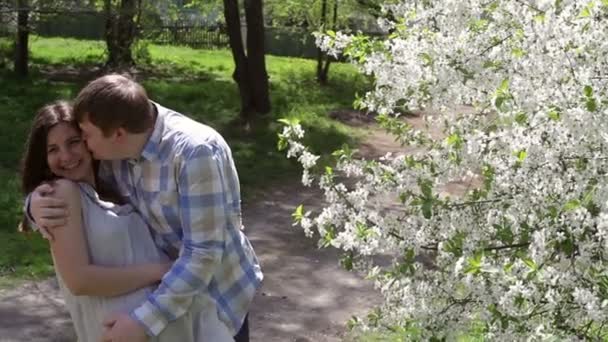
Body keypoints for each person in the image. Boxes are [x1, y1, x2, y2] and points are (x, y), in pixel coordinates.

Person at [28, 74, 263, 342]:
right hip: (160, 301)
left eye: (86, 136)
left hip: (215, 298)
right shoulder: (113, 147)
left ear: (118, 133)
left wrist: (144, 322)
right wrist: (34, 206)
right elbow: (76, 190)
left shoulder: (196, 152)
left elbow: (203, 253)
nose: (84, 145)